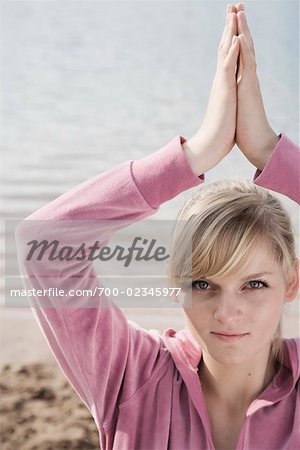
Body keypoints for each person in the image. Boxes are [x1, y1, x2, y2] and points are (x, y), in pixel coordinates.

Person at [15, 3, 299, 450]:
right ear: (175, 283)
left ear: (291, 282)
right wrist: (197, 152)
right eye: (203, 283)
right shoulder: (132, 379)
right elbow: (44, 242)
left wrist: (268, 149)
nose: (227, 313)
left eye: (254, 284)